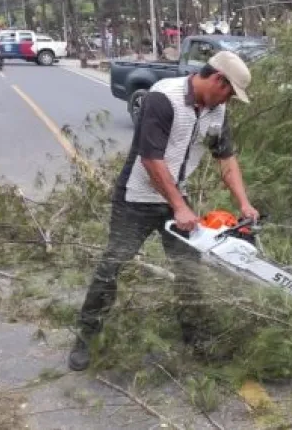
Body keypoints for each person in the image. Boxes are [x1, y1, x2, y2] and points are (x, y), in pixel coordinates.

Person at [68, 50, 259, 371]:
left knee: (189, 270)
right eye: (229, 92)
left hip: (176, 200)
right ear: (217, 79)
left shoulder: (217, 112)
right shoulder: (163, 99)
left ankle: (195, 340)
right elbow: (151, 160)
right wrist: (180, 207)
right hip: (136, 199)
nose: (229, 101)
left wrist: (244, 202)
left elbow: (226, 159)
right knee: (112, 265)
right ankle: (86, 337)